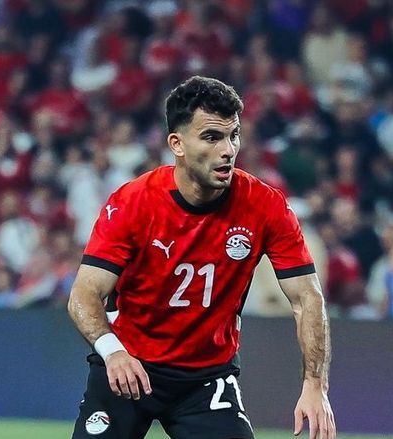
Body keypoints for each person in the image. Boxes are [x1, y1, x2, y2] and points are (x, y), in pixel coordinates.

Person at [67, 77, 335, 439]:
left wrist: (315, 385)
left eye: (233, 135)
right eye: (211, 137)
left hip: (205, 379)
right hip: (128, 365)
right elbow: (83, 294)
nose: (228, 150)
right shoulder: (133, 202)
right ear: (176, 144)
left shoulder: (265, 206)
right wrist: (112, 352)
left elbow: (308, 298)